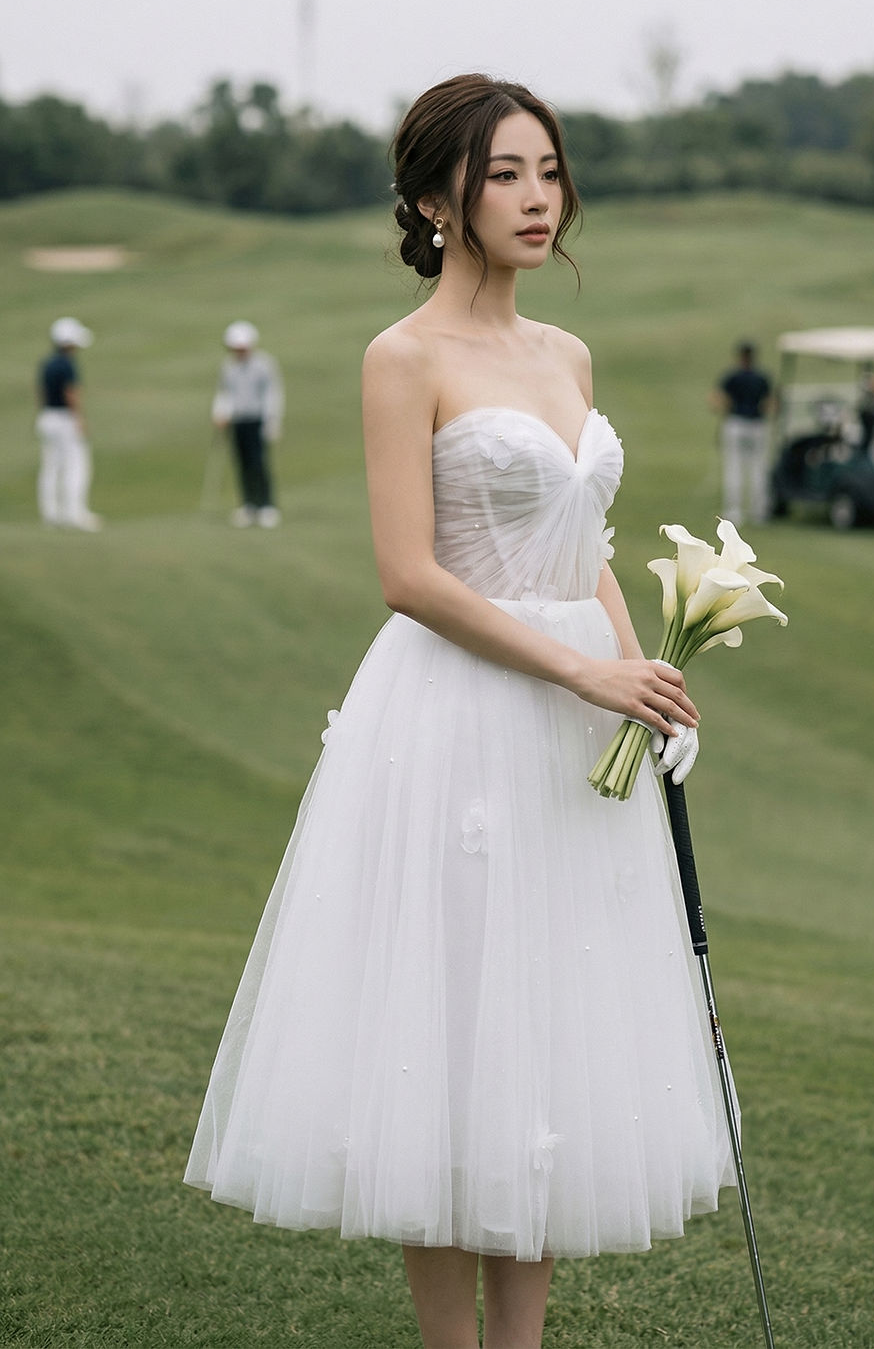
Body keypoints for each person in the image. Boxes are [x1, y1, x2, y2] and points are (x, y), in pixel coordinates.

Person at [185, 76, 735, 1349]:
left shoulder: (565, 355)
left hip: (568, 728)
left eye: (547, 169)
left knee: (539, 1043)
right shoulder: (403, 357)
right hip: (454, 721)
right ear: (436, 199)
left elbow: (581, 541)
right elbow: (409, 575)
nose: (537, 197)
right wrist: (581, 672)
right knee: (446, 1051)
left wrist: (638, 668)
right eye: (503, 174)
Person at [211, 321, 284, 527]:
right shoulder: (228, 366)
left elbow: (272, 393)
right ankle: (248, 505)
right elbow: (225, 393)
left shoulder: (264, 364)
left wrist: (272, 420)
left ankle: (267, 505)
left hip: (257, 420)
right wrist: (220, 413)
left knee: (259, 463)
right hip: (238, 421)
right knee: (242, 464)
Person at [35, 317, 102, 531]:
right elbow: (71, 393)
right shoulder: (67, 364)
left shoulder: (47, 363)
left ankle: (51, 514)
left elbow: (41, 392)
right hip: (64, 419)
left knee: (51, 467)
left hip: (47, 417)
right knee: (76, 465)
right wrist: (79, 418)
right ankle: (74, 514)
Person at [712, 341, 772, 526]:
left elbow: (716, 399)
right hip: (757, 425)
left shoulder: (733, 377)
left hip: (736, 422)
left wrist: (726, 410)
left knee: (734, 469)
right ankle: (758, 512)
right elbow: (770, 403)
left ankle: (734, 513)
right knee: (758, 469)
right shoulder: (762, 377)